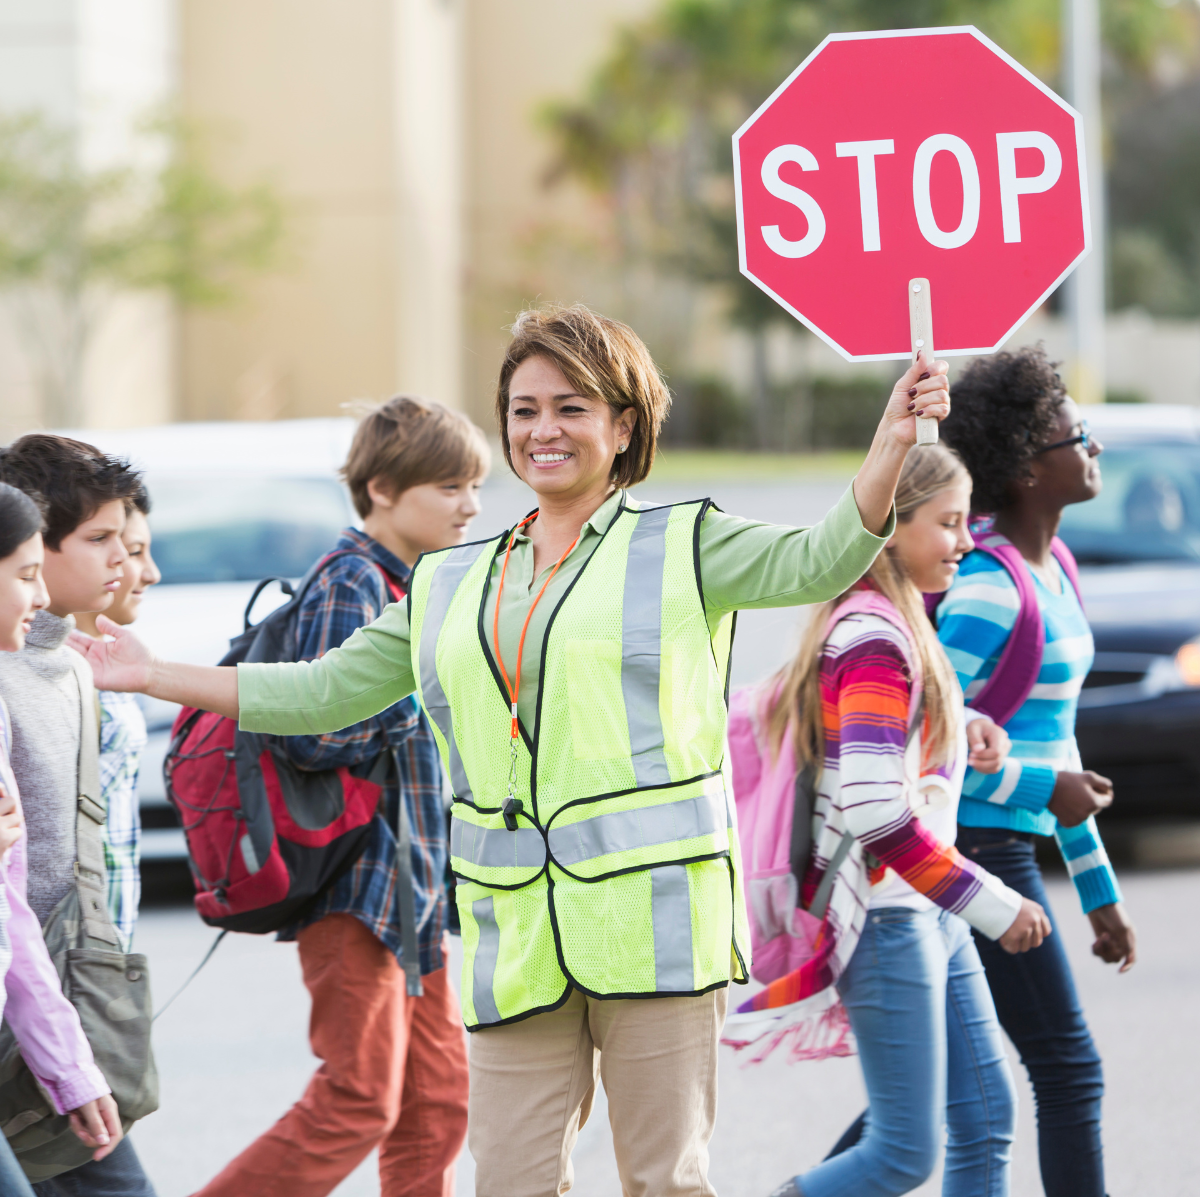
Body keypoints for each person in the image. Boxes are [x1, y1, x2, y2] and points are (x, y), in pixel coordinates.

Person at [70, 303, 952, 1197]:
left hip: (658, 930)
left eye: (571, 407)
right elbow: (323, 690)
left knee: (663, 1183)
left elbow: (820, 559)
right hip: (518, 935)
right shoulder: (451, 577)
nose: (543, 430)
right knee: (513, 1184)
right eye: (524, 409)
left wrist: (889, 444)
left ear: (623, 423)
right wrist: (152, 673)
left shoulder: (684, 543)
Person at [192, 396, 483, 1197]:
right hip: (357, 887)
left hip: (411, 889)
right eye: (451, 487)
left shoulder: (408, 581)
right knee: (356, 1100)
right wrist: (424, 691)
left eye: (474, 486)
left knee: (435, 1103)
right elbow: (316, 731)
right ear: (384, 488)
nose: (472, 505)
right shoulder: (354, 581)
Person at [762, 446, 1050, 1197]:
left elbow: (890, 754)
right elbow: (876, 810)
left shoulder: (898, 621)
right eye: (949, 523)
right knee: (900, 1153)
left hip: (923, 908)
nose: (965, 542)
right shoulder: (873, 637)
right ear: (889, 527)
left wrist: (963, 725)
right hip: (893, 917)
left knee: (985, 1120)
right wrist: (989, 902)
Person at [938, 347, 1135, 1197]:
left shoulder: (1056, 572)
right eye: (1077, 437)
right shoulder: (987, 589)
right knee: (1066, 1070)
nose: (1095, 451)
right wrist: (1035, 791)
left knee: (932, 1089)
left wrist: (1100, 894)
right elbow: (926, 740)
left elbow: (1062, 754)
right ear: (1024, 470)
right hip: (974, 850)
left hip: (1009, 844)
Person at [0, 437, 157, 1197]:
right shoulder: (7, 671)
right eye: (97, 541)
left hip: (58, 990)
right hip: (22, 994)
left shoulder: (72, 666)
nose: (121, 565)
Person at [74, 481, 161, 952]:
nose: (147, 572)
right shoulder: (48, 674)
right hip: (68, 947)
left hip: (104, 945)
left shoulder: (119, 667)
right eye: (135, 551)